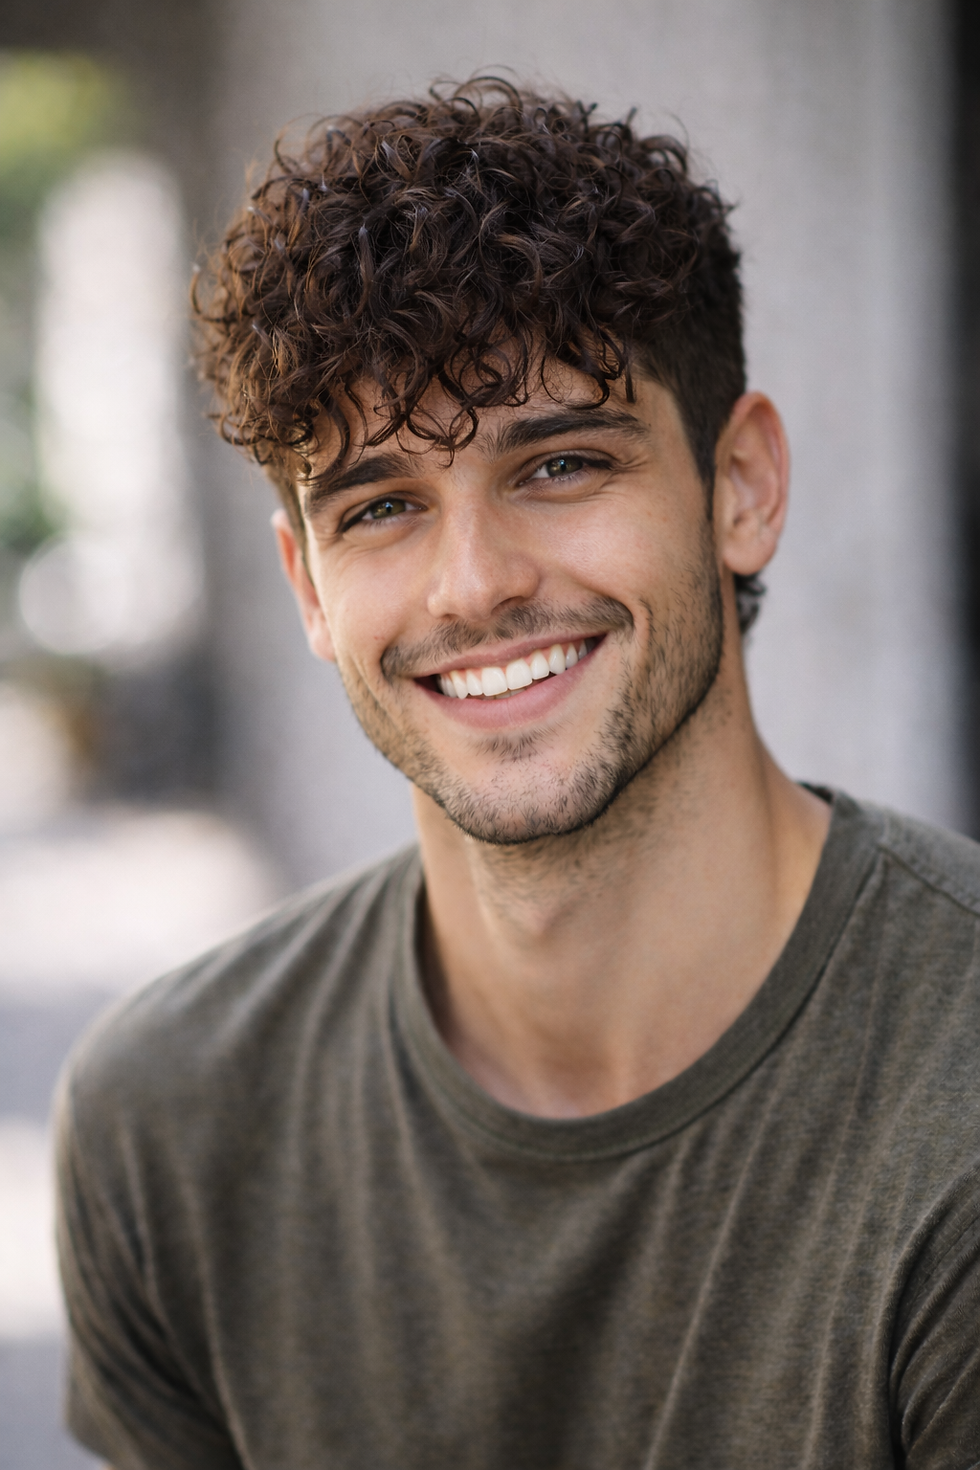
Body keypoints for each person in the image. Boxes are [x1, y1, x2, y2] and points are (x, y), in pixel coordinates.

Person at [56, 80, 978, 1470]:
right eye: (380, 506)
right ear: (307, 583)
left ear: (742, 485)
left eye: (558, 463)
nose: (475, 584)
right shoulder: (174, 1124)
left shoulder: (954, 1096)